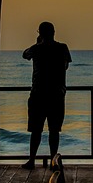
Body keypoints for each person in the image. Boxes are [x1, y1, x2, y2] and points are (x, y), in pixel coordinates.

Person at [21, 21, 72, 169]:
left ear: (40, 34)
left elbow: (25, 55)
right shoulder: (62, 48)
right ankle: (53, 161)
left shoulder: (36, 49)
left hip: (38, 94)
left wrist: (37, 43)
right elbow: (66, 66)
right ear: (54, 32)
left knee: (36, 130)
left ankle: (31, 160)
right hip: (57, 95)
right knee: (54, 130)